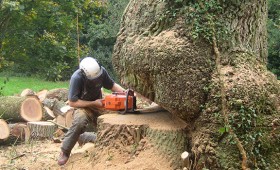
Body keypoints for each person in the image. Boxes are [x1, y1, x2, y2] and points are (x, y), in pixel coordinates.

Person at [57, 57, 125, 165]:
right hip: (82, 106)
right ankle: (65, 151)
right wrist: (93, 103)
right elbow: (72, 102)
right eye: (93, 79)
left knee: (118, 116)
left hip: (98, 104)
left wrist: (125, 93)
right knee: (79, 121)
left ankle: (87, 138)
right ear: (84, 74)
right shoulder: (77, 78)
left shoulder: (101, 71)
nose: (96, 81)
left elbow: (112, 85)